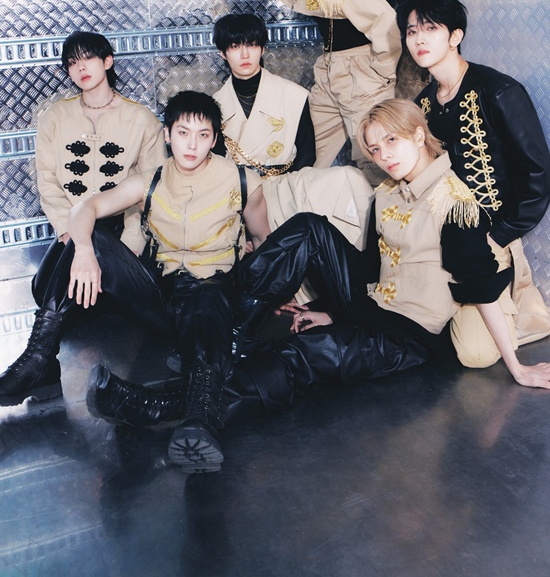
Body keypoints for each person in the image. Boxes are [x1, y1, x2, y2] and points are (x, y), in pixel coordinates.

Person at [87, 100, 550, 459]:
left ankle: (159, 405)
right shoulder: (389, 192)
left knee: (296, 355)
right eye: (375, 149)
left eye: (392, 142)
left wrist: (517, 367)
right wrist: (329, 309)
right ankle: (229, 331)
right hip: (373, 305)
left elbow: (482, 287)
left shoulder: (454, 203)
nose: (384, 156)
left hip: (408, 335)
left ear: (418, 134)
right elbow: (371, 266)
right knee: (309, 227)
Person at [22, 91, 270, 474]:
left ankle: (199, 422)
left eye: (203, 135)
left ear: (215, 139)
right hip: (163, 300)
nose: (192, 145)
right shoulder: (150, 180)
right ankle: (38, 358)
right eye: (183, 133)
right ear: (167, 135)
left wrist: (268, 293)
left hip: (215, 294)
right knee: (87, 237)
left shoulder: (242, 180)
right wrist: (84, 249)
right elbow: (86, 206)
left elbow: (263, 240)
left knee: (207, 293)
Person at [143, 0, 401, 182]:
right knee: (308, 152)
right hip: (331, 65)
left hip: (362, 67)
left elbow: (383, 18)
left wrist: (381, 73)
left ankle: (390, 209)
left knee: (373, 154)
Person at [0, 30, 167, 407]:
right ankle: (44, 357)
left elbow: (151, 192)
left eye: (88, 58)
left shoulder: (140, 120)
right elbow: (48, 182)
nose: (81, 68)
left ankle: (39, 361)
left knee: (89, 247)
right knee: (42, 288)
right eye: (72, 62)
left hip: (121, 241)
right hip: (72, 239)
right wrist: (68, 232)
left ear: (107, 61)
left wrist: (130, 244)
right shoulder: (54, 118)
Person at [396, 0, 550, 366]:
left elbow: (538, 173)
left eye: (430, 29)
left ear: (455, 36)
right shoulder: (422, 105)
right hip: (437, 233)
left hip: (486, 239)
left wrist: (499, 235)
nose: (418, 39)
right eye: (412, 31)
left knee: (476, 354)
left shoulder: (498, 91)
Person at [213, 13, 372, 251]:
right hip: (241, 194)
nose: (245, 55)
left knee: (348, 178)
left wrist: (288, 190)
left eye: (252, 45)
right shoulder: (215, 106)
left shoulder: (294, 95)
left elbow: (307, 154)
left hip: (286, 184)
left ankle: (357, 257)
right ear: (222, 53)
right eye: (235, 47)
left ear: (263, 49)